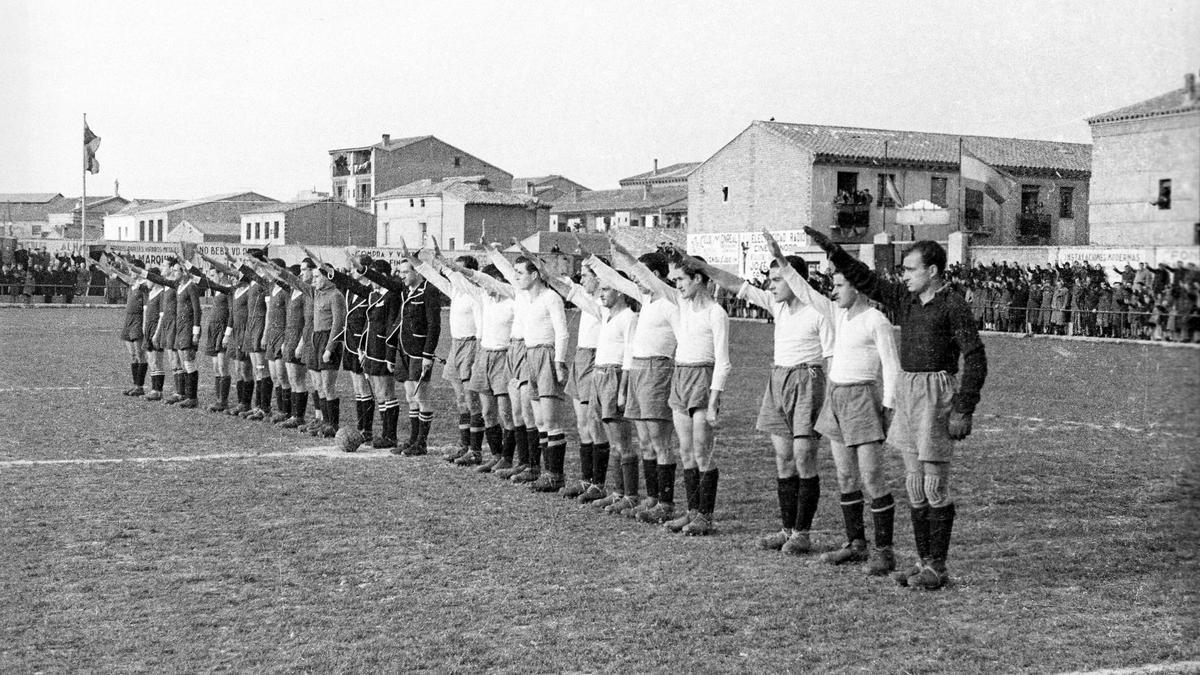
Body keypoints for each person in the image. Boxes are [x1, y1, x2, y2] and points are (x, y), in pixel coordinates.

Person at [804, 226, 987, 591]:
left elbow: (976, 356)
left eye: (909, 269)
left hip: (936, 393)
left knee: (934, 485)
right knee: (915, 485)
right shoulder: (906, 300)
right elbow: (867, 280)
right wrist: (834, 252)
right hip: (907, 389)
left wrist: (963, 408)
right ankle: (922, 562)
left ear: (932, 271)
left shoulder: (952, 305)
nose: (903, 276)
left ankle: (938, 566)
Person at [679, 242, 834, 554]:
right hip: (777, 380)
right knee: (783, 458)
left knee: (804, 456)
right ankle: (787, 529)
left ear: (795, 281)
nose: (771, 286)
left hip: (808, 380)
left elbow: (831, 359)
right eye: (771, 280)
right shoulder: (776, 305)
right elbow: (737, 285)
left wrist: (829, 401)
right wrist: (701, 266)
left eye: (777, 280)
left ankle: (802, 533)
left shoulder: (819, 311)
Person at [765, 230, 900, 575]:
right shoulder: (838, 315)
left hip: (862, 398)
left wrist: (886, 410)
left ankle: (883, 550)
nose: (834, 291)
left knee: (871, 477)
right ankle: (855, 543)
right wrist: (779, 257)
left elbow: (892, 367)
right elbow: (804, 288)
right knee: (844, 475)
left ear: (856, 286)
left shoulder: (876, 320)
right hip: (837, 398)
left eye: (840, 286)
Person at [588, 241, 679, 519]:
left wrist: (627, 257)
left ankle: (665, 503)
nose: (637, 281)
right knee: (646, 443)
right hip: (639, 370)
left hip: (657, 369)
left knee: (660, 442)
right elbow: (617, 280)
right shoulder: (647, 300)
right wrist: (594, 259)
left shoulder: (670, 300)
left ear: (658, 276)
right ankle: (651, 499)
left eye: (642, 275)